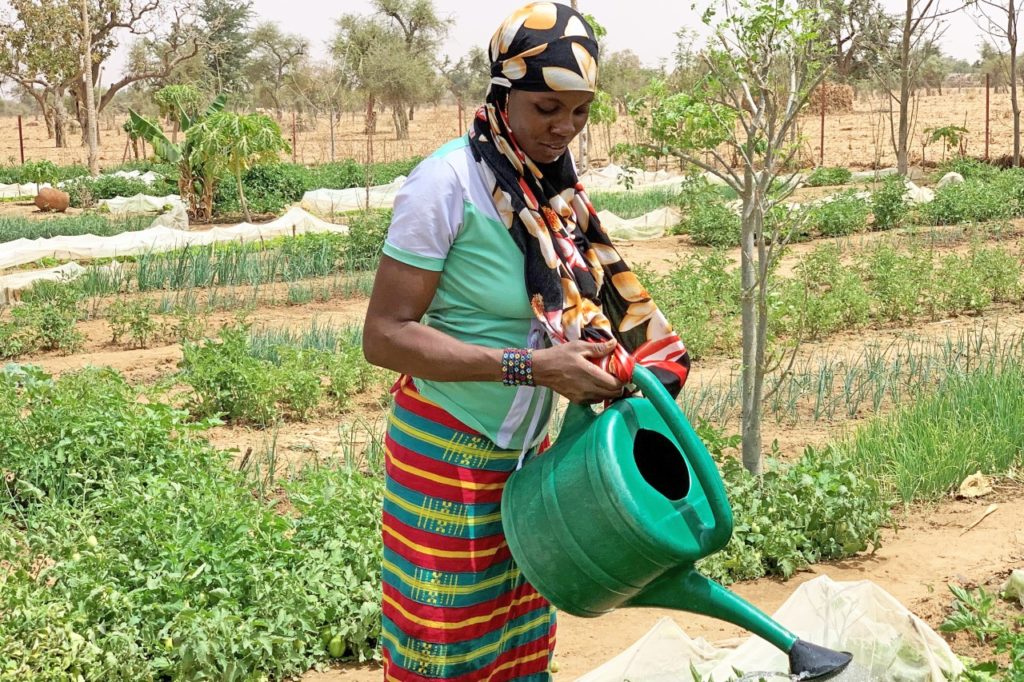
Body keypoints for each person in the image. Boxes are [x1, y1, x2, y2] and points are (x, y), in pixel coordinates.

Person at [362, 3, 691, 679]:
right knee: (445, 642)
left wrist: (603, 360)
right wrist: (532, 367)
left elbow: (571, 306)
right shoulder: (447, 183)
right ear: (504, 94)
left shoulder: (551, 189)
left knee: (518, 633)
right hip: (447, 451)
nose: (563, 129)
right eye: (546, 108)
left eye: (579, 112)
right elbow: (384, 337)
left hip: (530, 454)